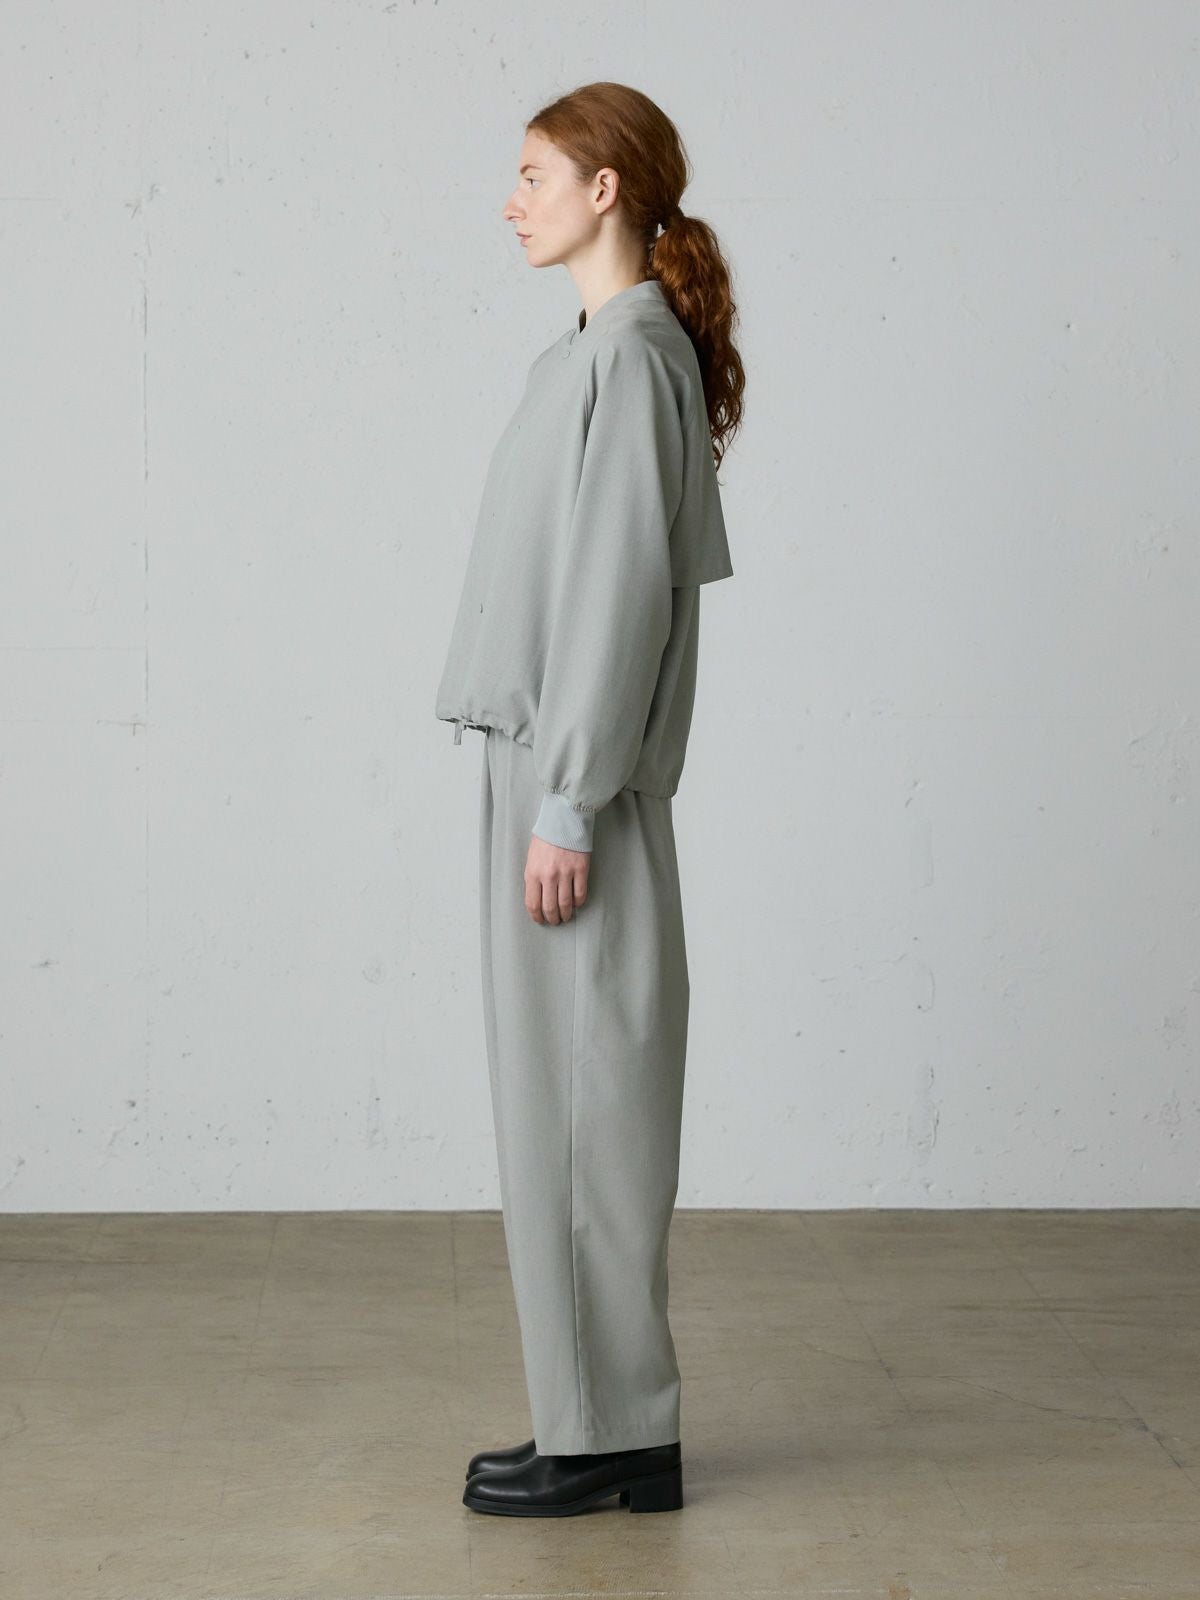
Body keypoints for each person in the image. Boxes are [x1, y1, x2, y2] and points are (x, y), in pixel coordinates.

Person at [435, 80, 745, 1517]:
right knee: (566, 1102)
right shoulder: (600, 350)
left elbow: (621, 594)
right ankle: (594, 1415)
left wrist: (566, 802)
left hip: (578, 779)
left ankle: (611, 1430)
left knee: (584, 1109)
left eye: (533, 173)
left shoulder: (629, 358)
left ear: (604, 187)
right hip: (557, 762)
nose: (512, 200)